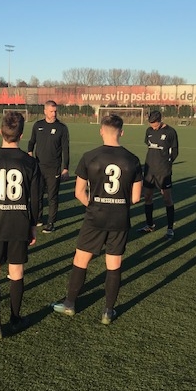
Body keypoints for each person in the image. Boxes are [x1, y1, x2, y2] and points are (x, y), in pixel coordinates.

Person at [52, 114, 142, 324]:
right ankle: (108, 312)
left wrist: (94, 206)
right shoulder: (133, 159)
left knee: (81, 260)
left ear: (101, 131)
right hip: (120, 218)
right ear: (122, 132)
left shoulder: (90, 156)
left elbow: (79, 192)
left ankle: (70, 304)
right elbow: (136, 197)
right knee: (114, 264)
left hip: (95, 217)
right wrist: (118, 206)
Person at [0, 111, 40, 340]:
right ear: (21, 135)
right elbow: (35, 199)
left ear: (0, 131)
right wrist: (32, 224)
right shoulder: (30, 162)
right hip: (19, 223)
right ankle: (14, 319)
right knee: (16, 271)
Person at [27, 100, 70, 233]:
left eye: (55, 111)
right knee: (37, 195)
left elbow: (65, 149)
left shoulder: (62, 128)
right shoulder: (38, 125)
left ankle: (51, 223)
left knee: (52, 197)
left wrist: (65, 168)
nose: (54, 114)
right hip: (39, 167)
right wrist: (29, 153)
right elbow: (31, 142)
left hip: (54, 168)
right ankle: (38, 218)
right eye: (51, 111)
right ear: (45, 111)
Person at [138, 110, 179, 239]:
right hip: (149, 170)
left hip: (163, 171)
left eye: (155, 124)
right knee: (147, 196)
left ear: (160, 120)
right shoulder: (149, 131)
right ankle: (149, 225)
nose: (153, 126)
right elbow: (149, 145)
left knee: (167, 198)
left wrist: (167, 163)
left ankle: (170, 228)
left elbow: (175, 152)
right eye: (151, 124)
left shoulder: (170, 132)